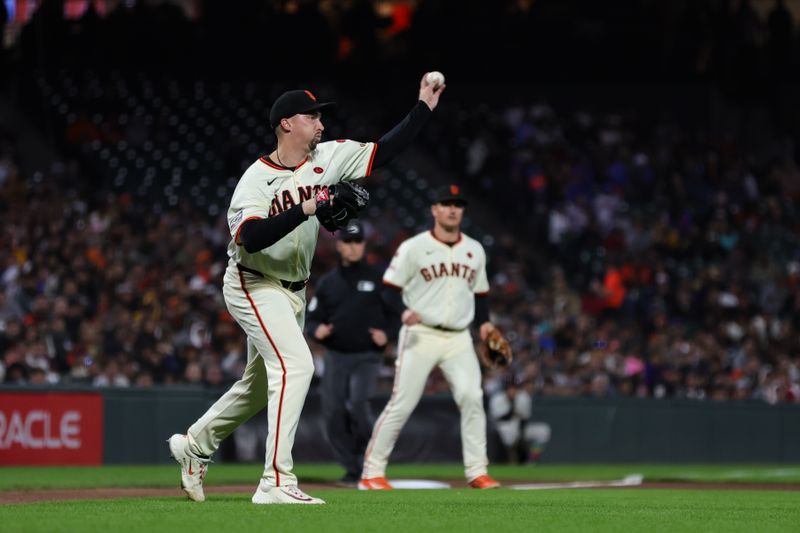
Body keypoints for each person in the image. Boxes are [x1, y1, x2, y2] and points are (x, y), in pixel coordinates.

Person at [168, 73, 445, 505]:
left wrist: (423, 106)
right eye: (311, 116)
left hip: (294, 290)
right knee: (297, 367)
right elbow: (252, 238)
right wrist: (310, 206)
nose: (321, 123)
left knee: (258, 386)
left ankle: (194, 446)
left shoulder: (330, 157)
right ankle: (276, 481)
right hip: (252, 282)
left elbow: (384, 152)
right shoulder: (255, 181)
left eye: (321, 116)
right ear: (286, 124)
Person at [360, 184, 502, 490]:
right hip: (420, 334)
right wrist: (402, 312)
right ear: (434, 210)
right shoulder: (414, 247)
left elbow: (481, 295)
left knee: (472, 397)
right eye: (446, 203)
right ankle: (372, 472)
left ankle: (478, 471)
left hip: (459, 337)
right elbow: (388, 290)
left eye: (457, 204)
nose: (452, 209)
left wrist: (486, 325)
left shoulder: (474, 249)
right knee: (403, 402)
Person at [305, 220, 399, 487]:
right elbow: (312, 318)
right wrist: (316, 329)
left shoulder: (378, 279)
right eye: (348, 242)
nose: (354, 247)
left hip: (367, 356)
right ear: (339, 245)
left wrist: (387, 334)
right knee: (333, 412)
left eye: (358, 242)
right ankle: (352, 467)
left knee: (358, 405)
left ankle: (371, 462)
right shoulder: (327, 283)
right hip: (336, 355)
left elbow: (396, 315)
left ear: (364, 245)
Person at [488, 376, 551, 464]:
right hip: (502, 427)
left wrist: (521, 433)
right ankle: (510, 460)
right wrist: (513, 407)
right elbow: (501, 418)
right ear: (505, 389)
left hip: (520, 428)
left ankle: (531, 460)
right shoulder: (497, 399)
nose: (513, 391)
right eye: (510, 388)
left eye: (515, 388)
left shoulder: (523, 397)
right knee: (510, 432)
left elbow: (525, 418)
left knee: (543, 430)